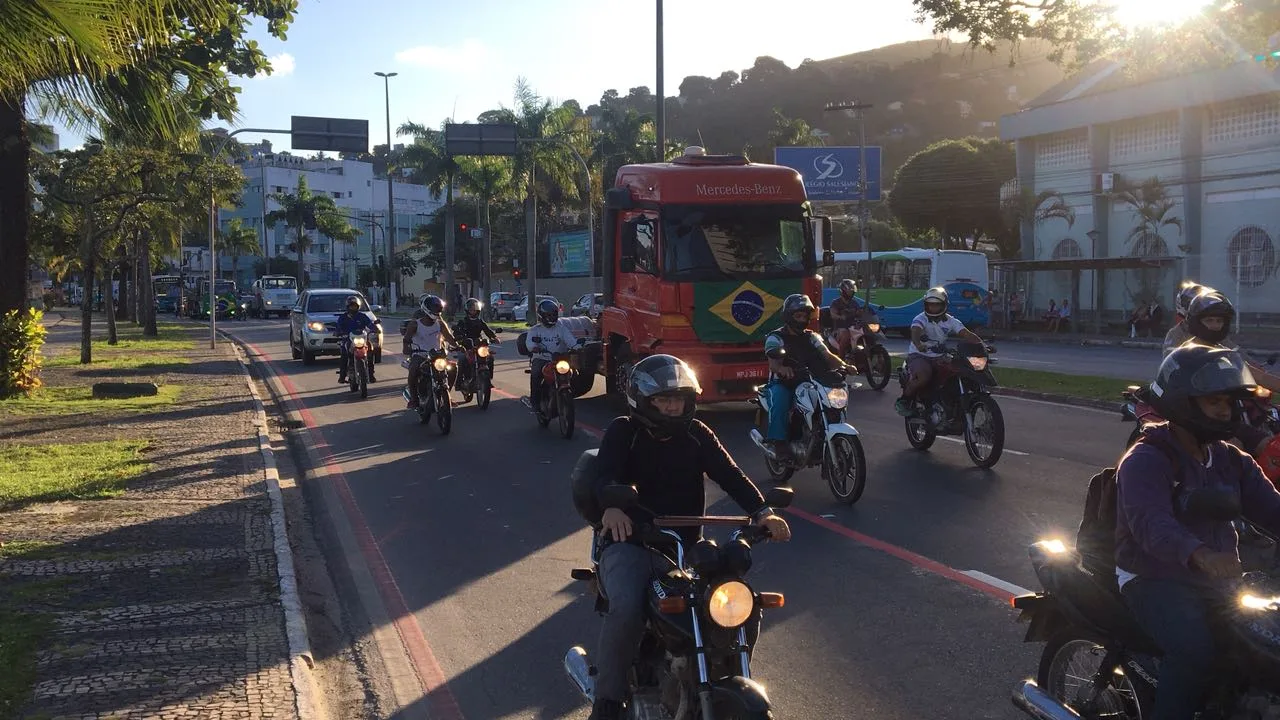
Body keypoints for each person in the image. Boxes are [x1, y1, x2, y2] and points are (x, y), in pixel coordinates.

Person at [587, 354, 792, 720]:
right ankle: (607, 701)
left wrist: (763, 512)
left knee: (741, 606)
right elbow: (605, 476)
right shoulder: (624, 432)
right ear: (643, 401)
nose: (671, 406)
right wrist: (611, 506)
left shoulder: (697, 434)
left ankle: (722, 674)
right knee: (627, 609)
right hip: (633, 542)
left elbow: (731, 476)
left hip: (685, 549)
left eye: (677, 399)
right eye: (663, 400)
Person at [1116, 343, 1280, 720]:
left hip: (1216, 576)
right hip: (1153, 577)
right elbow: (1149, 524)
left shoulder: (1231, 459)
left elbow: (1271, 509)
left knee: (1255, 650)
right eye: (1214, 402)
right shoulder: (1146, 459)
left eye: (1228, 402)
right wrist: (1200, 554)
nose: (1225, 410)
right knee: (1196, 653)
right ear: (1183, 403)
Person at [762, 293, 851, 462]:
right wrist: (782, 368)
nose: (802, 320)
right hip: (783, 382)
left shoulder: (812, 337)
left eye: (805, 316)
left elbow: (827, 355)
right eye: (798, 315)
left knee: (828, 400)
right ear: (788, 316)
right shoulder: (775, 337)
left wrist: (844, 366)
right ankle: (778, 444)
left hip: (810, 380)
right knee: (781, 400)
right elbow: (773, 364)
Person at [895, 286, 985, 417]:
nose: (933, 308)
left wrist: (982, 345)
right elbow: (915, 331)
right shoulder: (920, 319)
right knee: (923, 376)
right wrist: (919, 344)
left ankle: (949, 402)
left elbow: (966, 333)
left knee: (959, 372)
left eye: (936, 305)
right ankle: (904, 400)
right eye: (930, 305)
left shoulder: (951, 321)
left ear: (944, 305)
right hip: (920, 355)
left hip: (940, 355)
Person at [526, 298, 581, 411]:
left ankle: (569, 395)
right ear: (542, 316)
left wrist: (578, 347)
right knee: (536, 374)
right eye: (549, 315)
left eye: (554, 314)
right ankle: (535, 403)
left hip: (560, 359)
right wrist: (534, 348)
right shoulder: (535, 330)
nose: (552, 317)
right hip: (541, 359)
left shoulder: (561, 328)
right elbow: (529, 342)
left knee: (574, 373)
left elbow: (570, 340)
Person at [403, 294, 457, 409]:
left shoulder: (440, 324)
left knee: (453, 368)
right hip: (420, 354)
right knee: (413, 370)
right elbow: (406, 340)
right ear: (427, 309)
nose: (437, 311)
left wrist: (458, 346)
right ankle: (414, 399)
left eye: (439, 309)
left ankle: (448, 395)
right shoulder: (415, 324)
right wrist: (407, 348)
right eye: (435, 308)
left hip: (438, 355)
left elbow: (449, 338)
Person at [453, 297, 500, 380]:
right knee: (462, 360)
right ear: (467, 310)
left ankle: (488, 379)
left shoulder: (480, 321)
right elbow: (456, 332)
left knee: (490, 358)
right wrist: (458, 338)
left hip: (479, 344)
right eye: (471, 310)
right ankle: (459, 382)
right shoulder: (463, 322)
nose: (473, 311)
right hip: (466, 345)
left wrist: (494, 337)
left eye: (475, 310)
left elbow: (487, 330)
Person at [335, 295, 378, 384]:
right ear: (348, 307)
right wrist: (338, 332)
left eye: (355, 306)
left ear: (358, 306)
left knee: (370, 349)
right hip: (348, 340)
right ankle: (342, 376)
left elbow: (369, 324)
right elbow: (338, 327)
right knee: (344, 353)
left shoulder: (362, 316)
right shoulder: (343, 318)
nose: (353, 308)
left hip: (361, 339)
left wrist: (375, 329)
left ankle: (371, 374)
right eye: (351, 306)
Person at [1163, 281, 1208, 356]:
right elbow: (1169, 356)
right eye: (1192, 303)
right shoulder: (1175, 333)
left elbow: (1231, 351)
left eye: (1199, 303)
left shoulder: (1213, 329)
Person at [828, 279, 863, 358]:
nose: (851, 293)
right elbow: (833, 314)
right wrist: (840, 317)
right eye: (849, 291)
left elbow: (859, 312)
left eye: (852, 291)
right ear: (843, 291)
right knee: (846, 336)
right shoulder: (836, 302)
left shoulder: (854, 302)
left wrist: (862, 313)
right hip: (840, 328)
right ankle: (841, 359)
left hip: (853, 326)